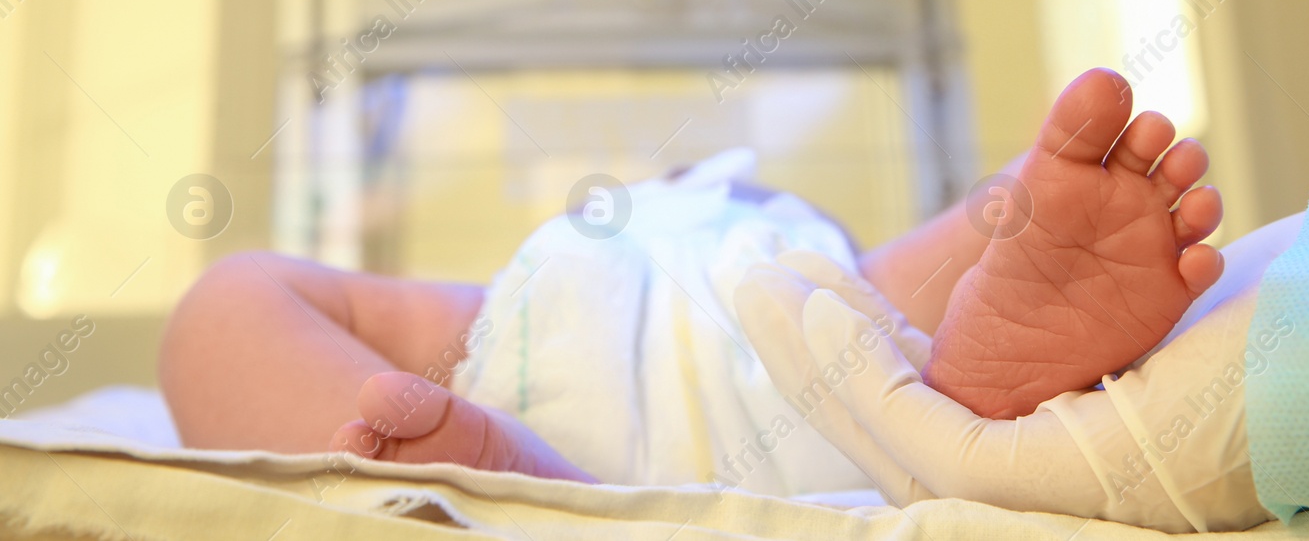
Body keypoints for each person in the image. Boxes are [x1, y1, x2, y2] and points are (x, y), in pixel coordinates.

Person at [159, 68, 1229, 486]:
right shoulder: (731, 231)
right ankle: (988, 297)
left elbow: (370, 316)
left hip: (571, 359)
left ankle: (499, 481)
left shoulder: (564, 261)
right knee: (885, 295)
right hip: (815, 375)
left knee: (235, 301)